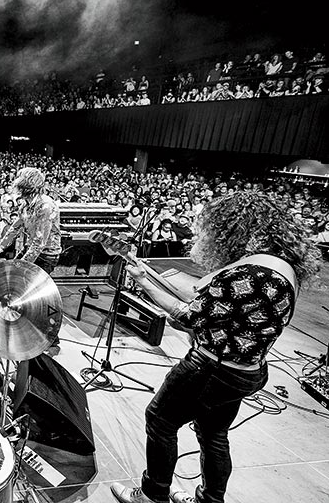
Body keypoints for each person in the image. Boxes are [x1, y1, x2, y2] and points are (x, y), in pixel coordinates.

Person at [110, 191, 321, 503]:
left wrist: (142, 282)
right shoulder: (280, 266)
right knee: (213, 435)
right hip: (248, 370)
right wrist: (150, 275)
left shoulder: (249, 274)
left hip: (211, 369)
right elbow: (216, 307)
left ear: (240, 230)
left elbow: (187, 316)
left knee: (160, 421)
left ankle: (152, 495)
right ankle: (209, 500)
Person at [0, 167, 62, 275]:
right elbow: (15, 228)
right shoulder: (25, 205)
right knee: (12, 274)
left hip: (46, 255)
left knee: (23, 283)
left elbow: (39, 242)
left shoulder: (45, 206)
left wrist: (21, 267)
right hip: (30, 247)